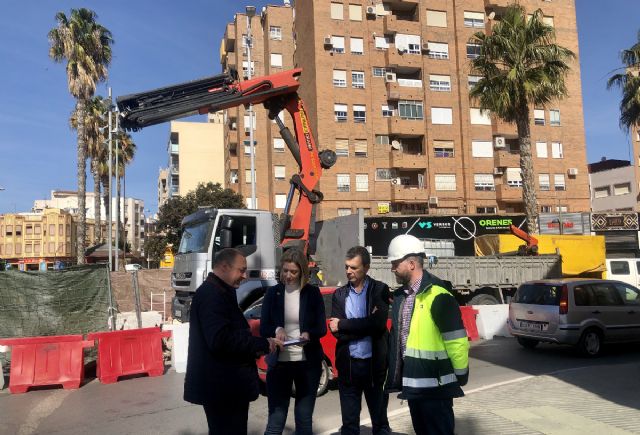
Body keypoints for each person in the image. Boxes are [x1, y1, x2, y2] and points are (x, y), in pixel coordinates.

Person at [184, 248, 282, 435]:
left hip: (226, 388)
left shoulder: (219, 292)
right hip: (222, 389)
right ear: (224, 267)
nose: (244, 276)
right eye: (241, 270)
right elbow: (221, 340)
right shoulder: (212, 295)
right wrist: (262, 344)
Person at [385, 234, 470, 435]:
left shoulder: (438, 295)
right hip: (414, 386)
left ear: (412, 264)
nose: (392, 268)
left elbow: (457, 340)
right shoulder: (401, 297)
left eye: (396, 263)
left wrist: (460, 375)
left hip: (437, 389)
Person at [260, 248, 327, 435]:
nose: (288, 275)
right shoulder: (273, 293)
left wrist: (308, 333)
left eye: (293, 272)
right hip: (280, 363)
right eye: (285, 270)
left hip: (307, 363)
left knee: (304, 420)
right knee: (276, 420)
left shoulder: (312, 293)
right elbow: (264, 327)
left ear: (302, 272)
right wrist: (277, 329)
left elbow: (321, 327)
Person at [329, 246, 391, 435]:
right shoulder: (339, 295)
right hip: (349, 368)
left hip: (374, 368)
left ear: (366, 267)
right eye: (347, 267)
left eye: (354, 268)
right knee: (349, 426)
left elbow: (378, 325)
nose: (349, 271)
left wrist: (344, 324)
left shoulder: (379, 289)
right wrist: (365, 326)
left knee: (380, 424)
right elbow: (335, 331)